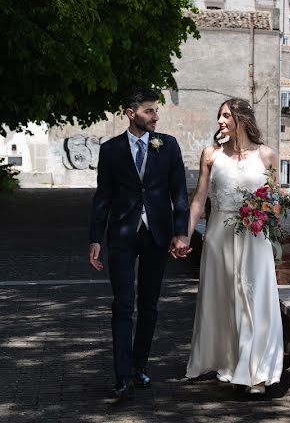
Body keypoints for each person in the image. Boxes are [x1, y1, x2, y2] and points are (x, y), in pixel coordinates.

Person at [89, 89, 190, 401]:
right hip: (121, 234)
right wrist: (95, 237)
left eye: (156, 111)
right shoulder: (111, 150)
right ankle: (121, 376)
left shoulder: (168, 145)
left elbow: (179, 195)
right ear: (130, 113)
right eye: (149, 111)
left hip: (157, 235)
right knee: (123, 305)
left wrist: (181, 233)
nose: (156, 116)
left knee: (149, 305)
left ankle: (139, 366)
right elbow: (103, 196)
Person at [185, 98, 283, 394]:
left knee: (255, 299)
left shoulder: (266, 155)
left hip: (254, 237)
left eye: (226, 116)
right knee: (226, 301)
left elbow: (276, 200)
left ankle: (258, 373)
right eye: (219, 116)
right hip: (218, 237)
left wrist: (266, 212)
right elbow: (200, 200)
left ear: (241, 119)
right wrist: (185, 236)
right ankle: (231, 363)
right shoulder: (211, 155)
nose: (220, 121)